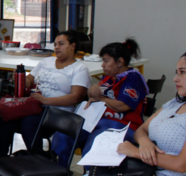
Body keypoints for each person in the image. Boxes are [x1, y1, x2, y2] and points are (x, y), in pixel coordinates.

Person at [51, 38, 148, 169]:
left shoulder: (133, 78)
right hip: (97, 121)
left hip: (123, 125)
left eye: (106, 61)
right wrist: (91, 92)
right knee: (64, 134)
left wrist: (101, 98)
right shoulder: (108, 77)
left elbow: (122, 106)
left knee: (95, 143)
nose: (102, 65)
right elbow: (95, 96)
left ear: (120, 62)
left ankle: (90, 172)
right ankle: (60, 169)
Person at [117, 48, 186, 176]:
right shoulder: (175, 103)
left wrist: (137, 152)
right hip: (141, 169)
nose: (175, 78)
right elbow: (141, 130)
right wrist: (145, 143)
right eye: (176, 72)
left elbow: (181, 165)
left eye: (182, 72)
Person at [0, 31, 91, 157]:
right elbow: (30, 80)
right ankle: (1, 161)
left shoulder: (79, 68)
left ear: (73, 46)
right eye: (55, 44)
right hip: (36, 108)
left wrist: (45, 100)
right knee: (6, 119)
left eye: (61, 44)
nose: (56, 47)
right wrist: (22, 79)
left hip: (59, 113)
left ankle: (38, 160)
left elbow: (75, 97)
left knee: (29, 122)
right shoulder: (46, 62)